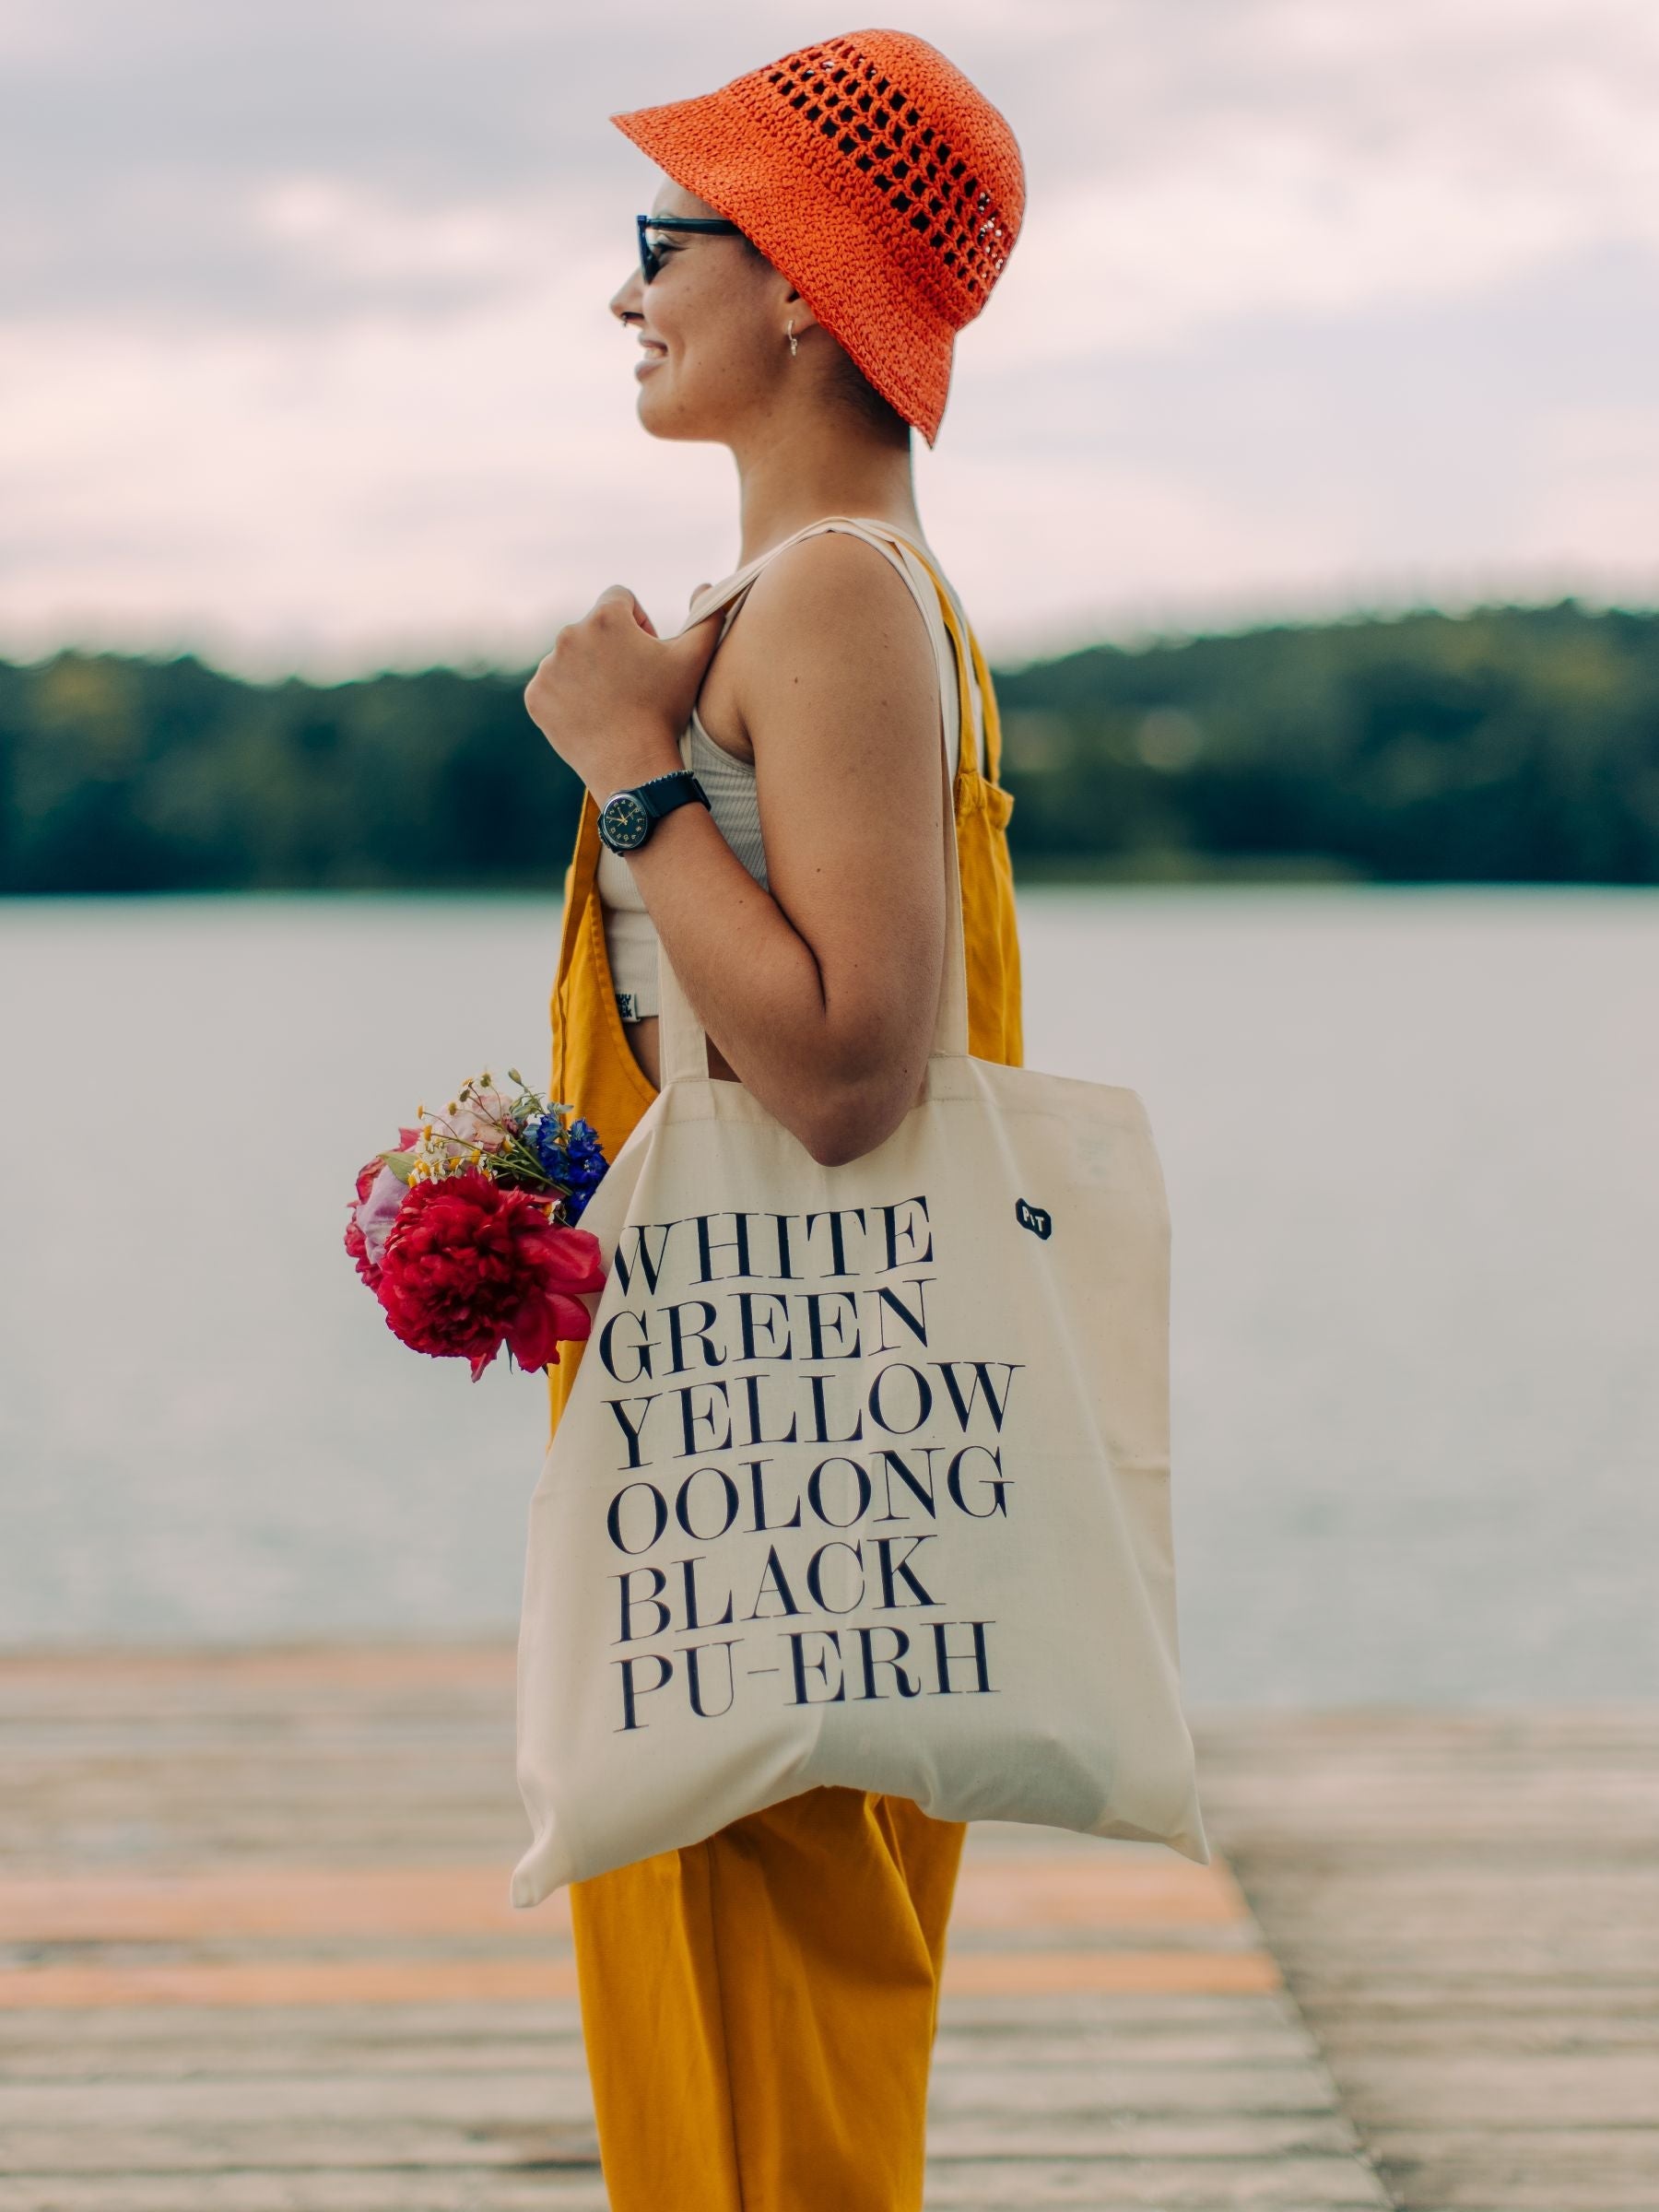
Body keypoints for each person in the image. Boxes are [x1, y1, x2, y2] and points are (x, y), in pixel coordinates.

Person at [521, 29, 1025, 2211]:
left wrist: (630, 772)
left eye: (667, 238)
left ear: (810, 278)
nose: (626, 291)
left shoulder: (828, 599)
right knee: (735, 2035)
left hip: (781, 1441)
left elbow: (842, 1071)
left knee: (762, 2064)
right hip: (759, 1425)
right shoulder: (812, 596)